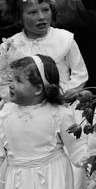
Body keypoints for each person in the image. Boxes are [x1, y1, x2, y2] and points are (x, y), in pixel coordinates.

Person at [0, 55, 88, 188]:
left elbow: (76, 147)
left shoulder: (58, 114)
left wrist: (90, 163)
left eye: (18, 80)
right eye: (11, 79)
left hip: (52, 178)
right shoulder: (5, 114)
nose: (11, 85)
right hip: (17, 179)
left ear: (38, 89)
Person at [0, 0, 88, 100]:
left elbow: (80, 74)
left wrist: (64, 93)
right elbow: (3, 82)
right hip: (25, 107)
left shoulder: (65, 39)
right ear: (19, 17)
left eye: (46, 10)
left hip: (61, 104)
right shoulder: (10, 46)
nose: (41, 17)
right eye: (32, 12)